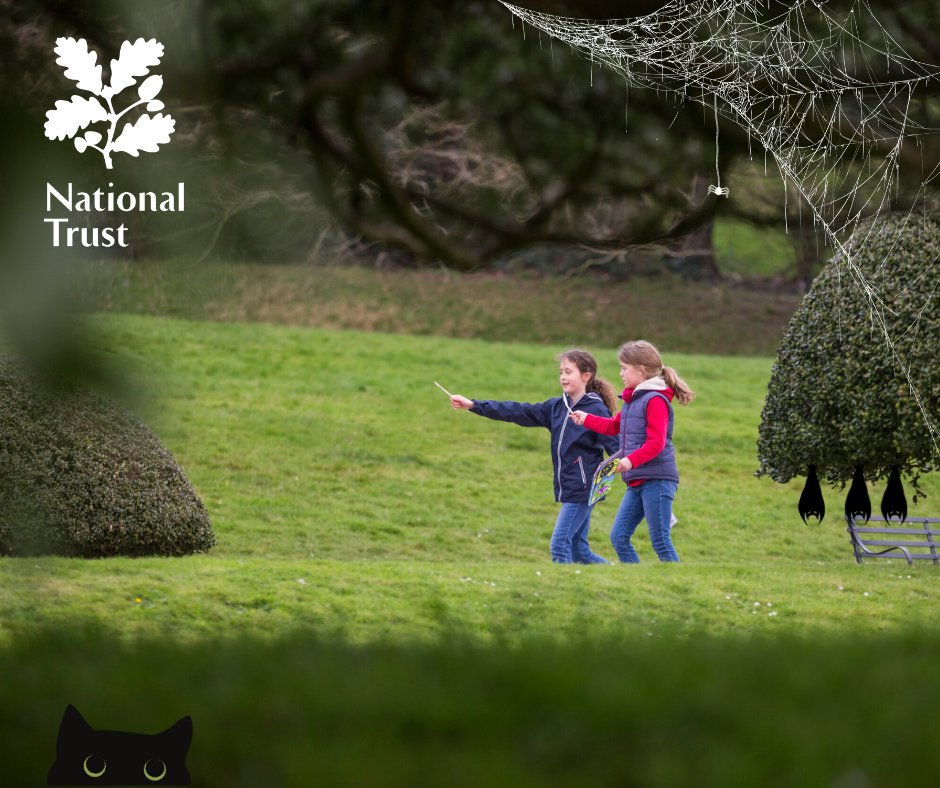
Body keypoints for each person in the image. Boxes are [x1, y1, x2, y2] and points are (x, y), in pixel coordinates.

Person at [448, 350, 620, 564]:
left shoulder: (596, 410)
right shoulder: (556, 407)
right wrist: (473, 405)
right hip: (569, 486)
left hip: (583, 489)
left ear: (587, 375)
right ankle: (625, 577)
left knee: (559, 545)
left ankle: (560, 591)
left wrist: (633, 477)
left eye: (569, 372)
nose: (563, 377)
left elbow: (618, 449)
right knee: (579, 551)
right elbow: (516, 411)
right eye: (561, 372)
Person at [570, 340, 694, 563]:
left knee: (660, 541)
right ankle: (637, 580)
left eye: (624, 368)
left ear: (641, 370)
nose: (621, 373)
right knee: (618, 537)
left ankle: (678, 581)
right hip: (637, 480)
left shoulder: (655, 400)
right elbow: (611, 426)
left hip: (656, 479)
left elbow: (656, 443)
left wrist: (629, 461)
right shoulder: (632, 399)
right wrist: (586, 418)